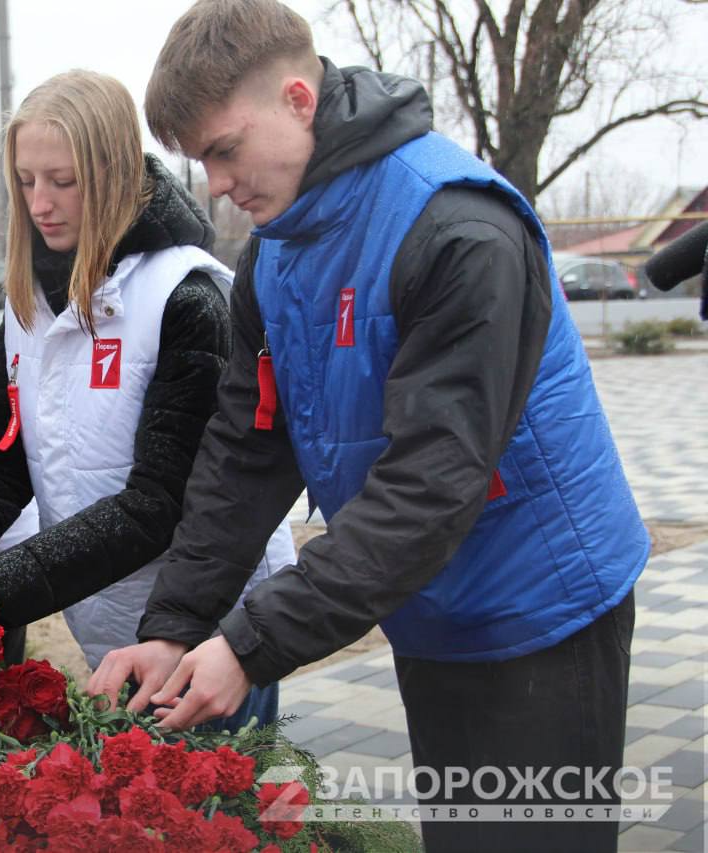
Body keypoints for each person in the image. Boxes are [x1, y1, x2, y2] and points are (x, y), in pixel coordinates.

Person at [88, 2, 647, 851]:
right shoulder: (275, 253)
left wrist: (251, 643)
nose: (215, 185)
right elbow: (246, 452)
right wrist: (176, 625)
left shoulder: (456, 230)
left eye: (225, 150)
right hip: (423, 596)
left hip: (540, 605)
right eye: (201, 161)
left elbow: (429, 485)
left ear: (299, 99)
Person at [0, 70, 296, 729]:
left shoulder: (186, 299)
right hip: (109, 626)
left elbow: (164, 500)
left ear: (113, 174)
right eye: (25, 180)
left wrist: (10, 582)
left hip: (207, 636)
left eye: (63, 181)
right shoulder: (30, 307)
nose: (40, 203)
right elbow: (1, 456)